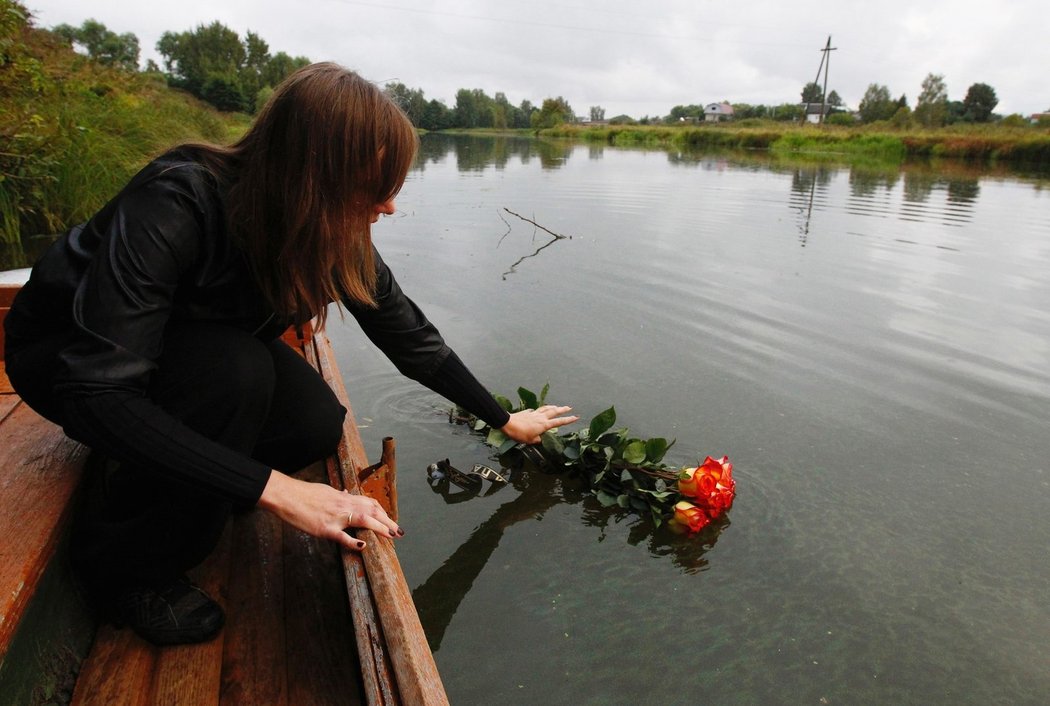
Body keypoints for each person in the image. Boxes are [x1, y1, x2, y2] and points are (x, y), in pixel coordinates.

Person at [2, 62, 577, 646]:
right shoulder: (177, 199)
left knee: (314, 423)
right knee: (237, 374)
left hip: (188, 351)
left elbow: (411, 340)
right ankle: (125, 570)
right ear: (312, 175)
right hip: (67, 357)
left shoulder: (327, 231)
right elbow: (96, 389)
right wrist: (273, 490)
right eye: (375, 187)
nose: (388, 208)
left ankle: (181, 466)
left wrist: (506, 420)